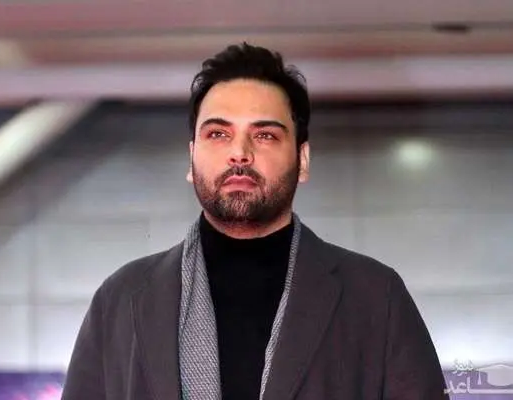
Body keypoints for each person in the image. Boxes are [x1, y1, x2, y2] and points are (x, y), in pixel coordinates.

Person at [61, 43, 448, 400]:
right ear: (191, 158)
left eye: (264, 135)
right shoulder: (121, 299)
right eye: (218, 133)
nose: (239, 153)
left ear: (303, 160)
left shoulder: (375, 296)